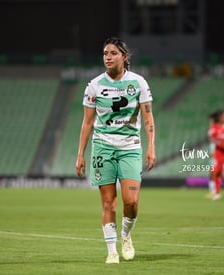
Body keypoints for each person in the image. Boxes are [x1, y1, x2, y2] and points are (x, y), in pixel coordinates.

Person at [75, 37, 156, 264]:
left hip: (130, 147)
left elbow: (148, 117)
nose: (107, 57)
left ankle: (126, 236)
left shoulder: (138, 83)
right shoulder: (94, 85)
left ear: (124, 56)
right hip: (103, 147)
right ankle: (111, 251)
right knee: (109, 202)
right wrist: (80, 153)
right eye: (104, 53)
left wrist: (151, 146)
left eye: (113, 53)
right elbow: (87, 123)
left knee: (131, 202)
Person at [207, 112, 224, 198]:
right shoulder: (214, 134)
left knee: (220, 174)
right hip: (215, 156)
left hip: (218, 156)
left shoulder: (217, 134)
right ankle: (214, 192)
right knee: (212, 173)